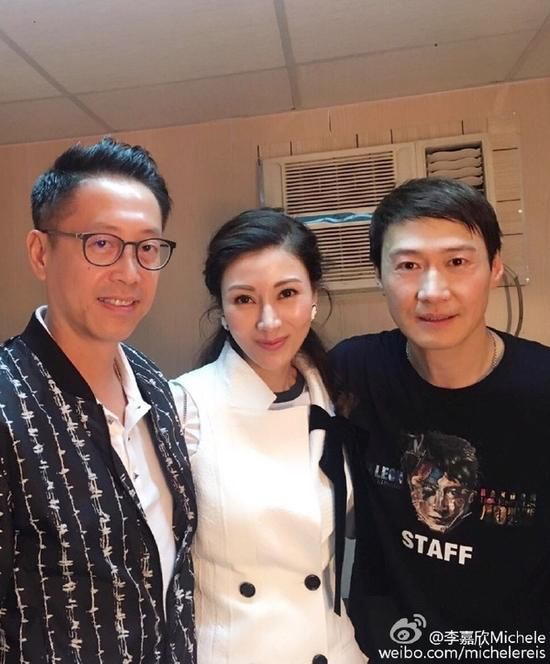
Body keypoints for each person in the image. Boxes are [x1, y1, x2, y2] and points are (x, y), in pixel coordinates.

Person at [331, 178, 550, 662]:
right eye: (408, 266)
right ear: (379, 274)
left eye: (457, 262)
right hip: (386, 648)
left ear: (495, 268)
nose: (433, 291)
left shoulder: (541, 390)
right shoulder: (354, 372)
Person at [0, 138, 196, 663]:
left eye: (147, 248)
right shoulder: (8, 404)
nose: (130, 273)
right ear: (41, 253)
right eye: (102, 243)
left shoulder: (153, 384)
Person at [171, 209, 365, 664]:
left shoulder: (337, 397)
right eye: (244, 299)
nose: (269, 321)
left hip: (332, 648)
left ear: (313, 297)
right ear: (221, 310)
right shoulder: (185, 406)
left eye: (287, 293)